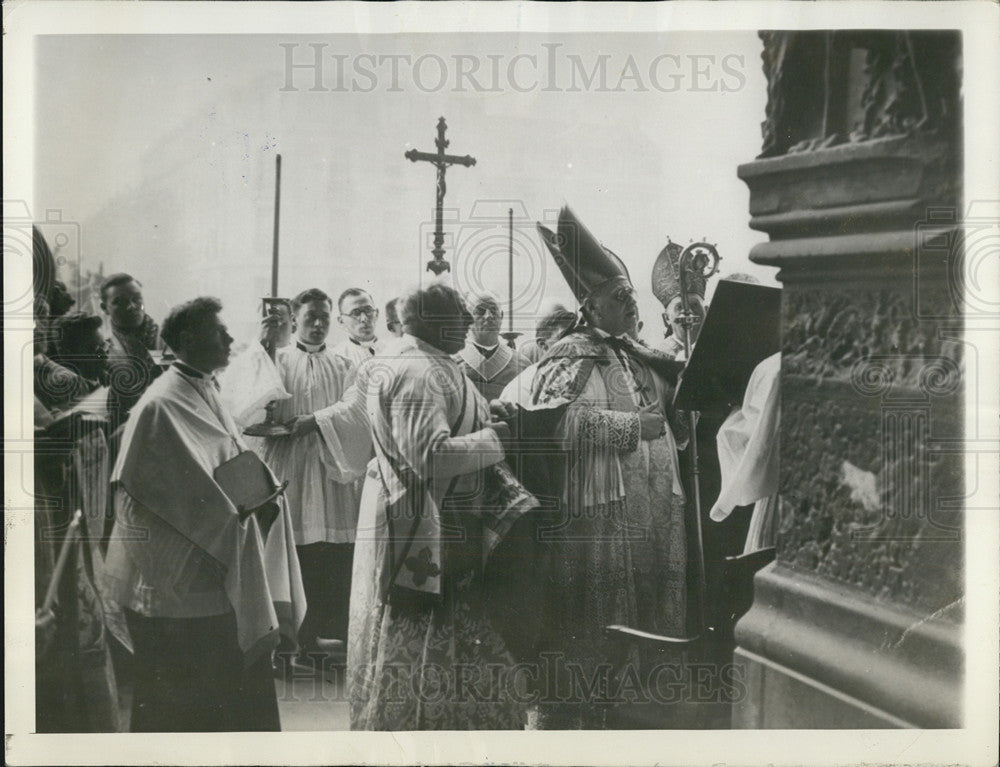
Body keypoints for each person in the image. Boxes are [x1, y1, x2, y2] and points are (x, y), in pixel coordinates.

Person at [103, 297, 304, 732]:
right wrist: (244, 517)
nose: (231, 338)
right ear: (189, 340)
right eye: (220, 332)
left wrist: (267, 495)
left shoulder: (205, 386)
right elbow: (179, 501)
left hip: (213, 569)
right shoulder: (161, 405)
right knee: (187, 715)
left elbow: (231, 459)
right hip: (183, 586)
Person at [347, 282, 537, 730]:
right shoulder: (418, 371)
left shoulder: (429, 361)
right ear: (431, 322)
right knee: (429, 646)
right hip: (431, 529)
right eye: (460, 316)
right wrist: (497, 440)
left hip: (440, 523)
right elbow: (430, 456)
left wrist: (488, 415)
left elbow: (449, 422)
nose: (471, 324)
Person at [531, 207, 688, 728]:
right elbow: (555, 425)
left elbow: (672, 409)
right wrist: (628, 429)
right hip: (604, 501)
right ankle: (594, 700)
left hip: (655, 496)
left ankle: (643, 693)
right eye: (619, 298)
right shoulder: (569, 352)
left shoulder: (640, 353)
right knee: (603, 608)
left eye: (632, 296)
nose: (631, 305)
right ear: (589, 304)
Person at [224, 288, 360, 660]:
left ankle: (318, 636)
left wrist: (317, 420)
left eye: (324, 318)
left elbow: (357, 406)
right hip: (286, 464)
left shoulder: (345, 365)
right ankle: (286, 639)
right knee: (290, 549)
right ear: (295, 319)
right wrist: (264, 346)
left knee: (327, 552)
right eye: (309, 317)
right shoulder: (276, 358)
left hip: (328, 466)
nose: (317, 324)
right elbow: (245, 401)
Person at [100, 273, 164, 430]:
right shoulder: (103, 352)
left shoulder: (167, 340)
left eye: (137, 298)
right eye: (119, 302)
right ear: (105, 308)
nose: (131, 306)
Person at [497, 304, 577, 407]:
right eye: (563, 337)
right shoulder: (522, 387)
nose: (574, 343)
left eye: (574, 335)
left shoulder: (583, 373)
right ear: (543, 344)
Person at [456, 293, 531, 401]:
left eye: (493, 310)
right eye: (480, 311)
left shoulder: (523, 365)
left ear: (502, 316)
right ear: (467, 317)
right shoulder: (451, 363)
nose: (488, 316)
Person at [332, 287, 382, 365]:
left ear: (377, 314)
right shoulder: (337, 357)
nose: (364, 318)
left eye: (368, 310)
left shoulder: (394, 350)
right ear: (341, 321)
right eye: (355, 313)